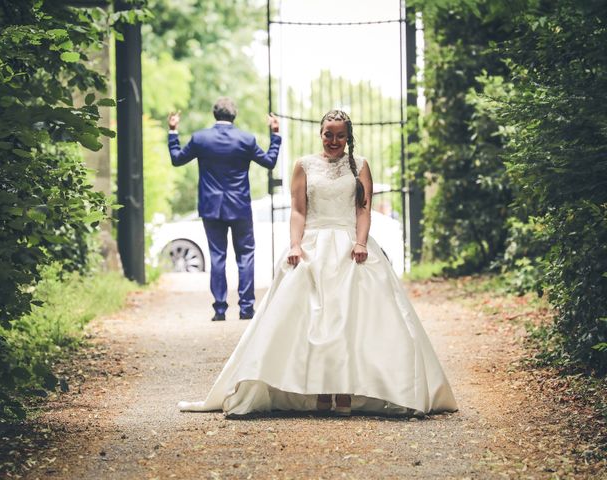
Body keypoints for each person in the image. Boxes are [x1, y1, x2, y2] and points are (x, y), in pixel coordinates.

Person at [178, 109, 457, 417]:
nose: (333, 141)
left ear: (347, 137)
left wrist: (361, 242)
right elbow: (298, 211)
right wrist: (296, 245)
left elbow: (363, 210)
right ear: (321, 134)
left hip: (351, 245)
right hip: (314, 245)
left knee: (352, 320)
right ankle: (320, 393)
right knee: (314, 318)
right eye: (328, 134)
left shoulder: (361, 165)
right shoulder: (304, 165)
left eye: (340, 135)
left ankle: (347, 393)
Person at [168, 97, 281, 321]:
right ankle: (247, 308)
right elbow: (269, 161)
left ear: (215, 114)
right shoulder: (246, 139)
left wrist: (173, 132)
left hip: (211, 208)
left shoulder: (201, 139)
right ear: (234, 115)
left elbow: (177, 159)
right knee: (245, 255)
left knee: (217, 257)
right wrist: (275, 135)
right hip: (239, 206)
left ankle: (220, 310)